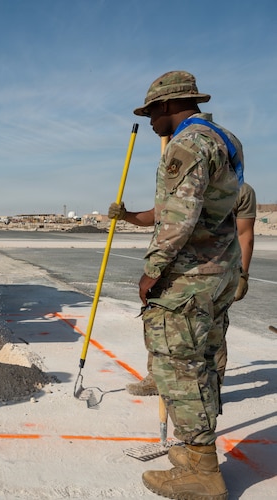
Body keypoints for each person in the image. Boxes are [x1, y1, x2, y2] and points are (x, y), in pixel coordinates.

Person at [123, 71, 242, 499]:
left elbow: (179, 215)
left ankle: (204, 471)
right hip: (219, 270)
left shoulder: (187, 144)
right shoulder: (224, 138)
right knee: (205, 362)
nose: (152, 121)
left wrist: (153, 270)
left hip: (188, 277)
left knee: (179, 368)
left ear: (170, 106)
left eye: (153, 112)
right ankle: (196, 454)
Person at [109, 181, 256, 395]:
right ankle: (158, 378)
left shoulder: (240, 190)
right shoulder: (183, 181)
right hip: (176, 269)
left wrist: (243, 274)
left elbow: (245, 234)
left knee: (210, 328)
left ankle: (209, 389)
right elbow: (157, 216)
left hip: (214, 271)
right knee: (160, 322)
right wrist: (126, 215)